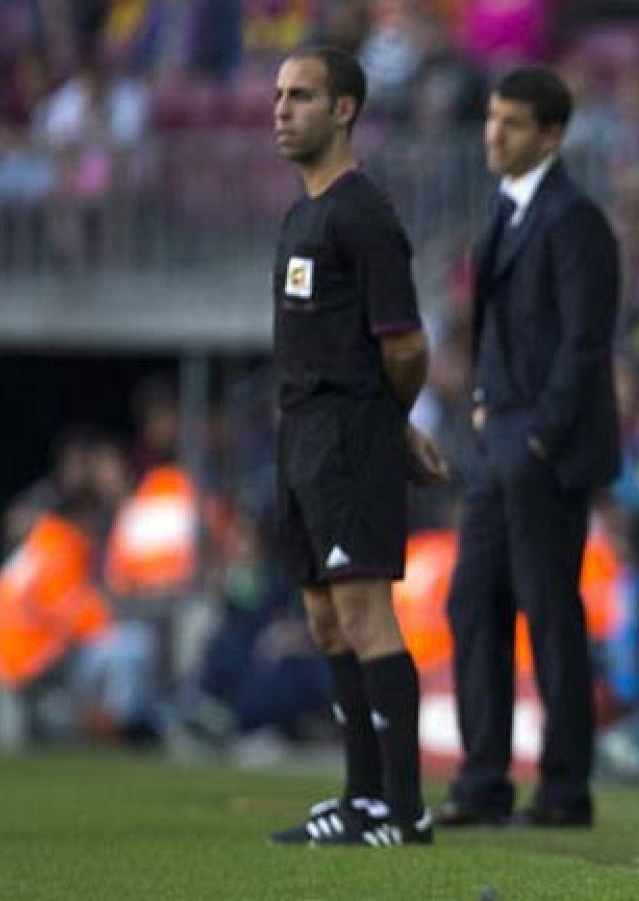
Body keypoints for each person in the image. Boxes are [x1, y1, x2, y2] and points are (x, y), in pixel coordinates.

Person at [264, 44, 449, 849]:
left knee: (365, 611)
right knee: (324, 616)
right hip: (300, 432)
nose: (281, 109)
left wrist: (387, 421)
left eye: (301, 96)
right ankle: (362, 796)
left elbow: (406, 346)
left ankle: (405, 809)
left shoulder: (361, 213)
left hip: (345, 432)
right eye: (279, 95)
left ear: (343, 110)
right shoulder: (300, 214)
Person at [436, 66, 621, 829]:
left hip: (542, 448)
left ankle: (564, 787)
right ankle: (483, 781)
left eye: (511, 122)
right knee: (472, 600)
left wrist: (539, 434)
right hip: (498, 440)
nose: (494, 134)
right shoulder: (505, 213)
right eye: (490, 119)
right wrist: (484, 406)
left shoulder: (573, 219)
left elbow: (585, 343)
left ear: (551, 134)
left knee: (548, 613)